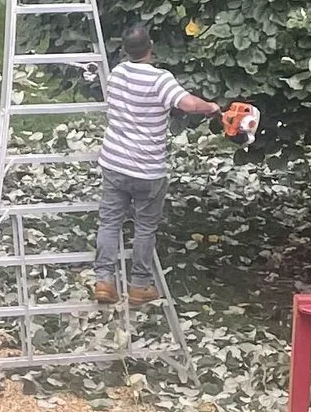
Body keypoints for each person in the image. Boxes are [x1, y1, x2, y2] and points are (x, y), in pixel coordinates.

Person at [91, 23, 256, 306]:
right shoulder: (160, 80)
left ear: (125, 49)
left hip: (114, 163)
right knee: (144, 227)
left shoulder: (116, 74)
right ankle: (139, 286)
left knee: (109, 222)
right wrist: (213, 107)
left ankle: (104, 281)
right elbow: (188, 104)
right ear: (150, 47)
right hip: (147, 170)